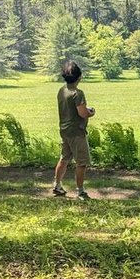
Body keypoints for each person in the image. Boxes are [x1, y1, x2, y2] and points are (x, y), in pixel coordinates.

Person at [53, 60, 95, 200]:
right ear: (79, 77)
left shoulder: (62, 90)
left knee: (64, 158)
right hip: (77, 131)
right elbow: (82, 113)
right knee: (81, 162)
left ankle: (57, 185)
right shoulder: (78, 93)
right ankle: (80, 191)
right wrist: (91, 112)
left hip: (64, 130)